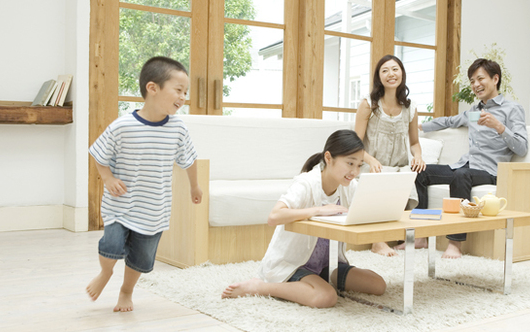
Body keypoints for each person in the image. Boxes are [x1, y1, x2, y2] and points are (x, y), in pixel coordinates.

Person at [86, 56, 203, 312]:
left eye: (186, 92)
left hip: (154, 209)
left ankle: (126, 291)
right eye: (178, 90)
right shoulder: (123, 126)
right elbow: (98, 153)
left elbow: (189, 160)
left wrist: (194, 186)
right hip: (121, 204)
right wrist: (107, 178)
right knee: (112, 245)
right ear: (153, 88)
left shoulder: (178, 129)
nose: (183, 97)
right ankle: (105, 273)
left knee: (140, 258)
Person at [221, 130, 386, 308]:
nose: (354, 171)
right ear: (329, 158)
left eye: (359, 165)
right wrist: (318, 210)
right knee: (326, 297)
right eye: (350, 163)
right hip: (295, 263)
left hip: (327, 264)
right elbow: (274, 216)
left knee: (378, 285)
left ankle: (320, 279)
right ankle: (260, 287)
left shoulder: (349, 186)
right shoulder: (306, 183)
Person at [416, 58, 528, 258]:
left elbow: (521, 147)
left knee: (461, 175)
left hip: (491, 170)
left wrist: (499, 127)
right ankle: (421, 236)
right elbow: (449, 121)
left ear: (495, 79)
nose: (476, 85)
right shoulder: (474, 112)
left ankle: (455, 244)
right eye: (472, 81)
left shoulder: (512, 109)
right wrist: (418, 127)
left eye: (480, 79)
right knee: (421, 171)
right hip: (466, 166)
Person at [354, 54, 426, 257]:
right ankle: (378, 242)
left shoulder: (410, 107)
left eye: (395, 69)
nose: (391, 74)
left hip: (399, 165)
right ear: (379, 77)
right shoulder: (369, 104)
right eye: (384, 70)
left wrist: (418, 156)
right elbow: (356, 142)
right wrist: (369, 159)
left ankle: (409, 237)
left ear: (402, 73)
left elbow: (414, 143)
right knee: (377, 178)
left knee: (408, 177)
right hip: (372, 164)